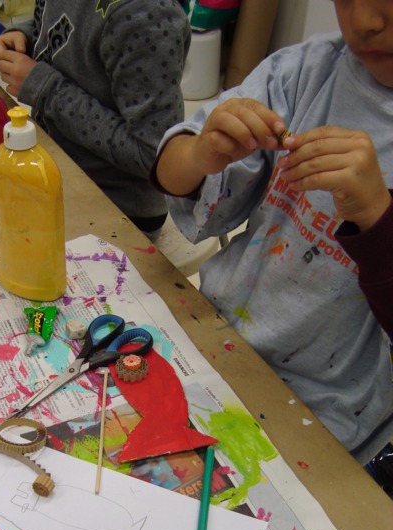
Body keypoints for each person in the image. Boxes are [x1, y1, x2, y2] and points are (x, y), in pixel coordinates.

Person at [154, 0, 393, 467]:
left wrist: (376, 216)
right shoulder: (306, 70)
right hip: (216, 335)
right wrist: (202, 153)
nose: (364, 22)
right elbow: (169, 169)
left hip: (321, 416)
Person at [0, 0, 190, 238]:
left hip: (116, 207)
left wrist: (46, 89)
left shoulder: (146, 15)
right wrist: (25, 35)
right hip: (54, 168)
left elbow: (155, 155)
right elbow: (70, 24)